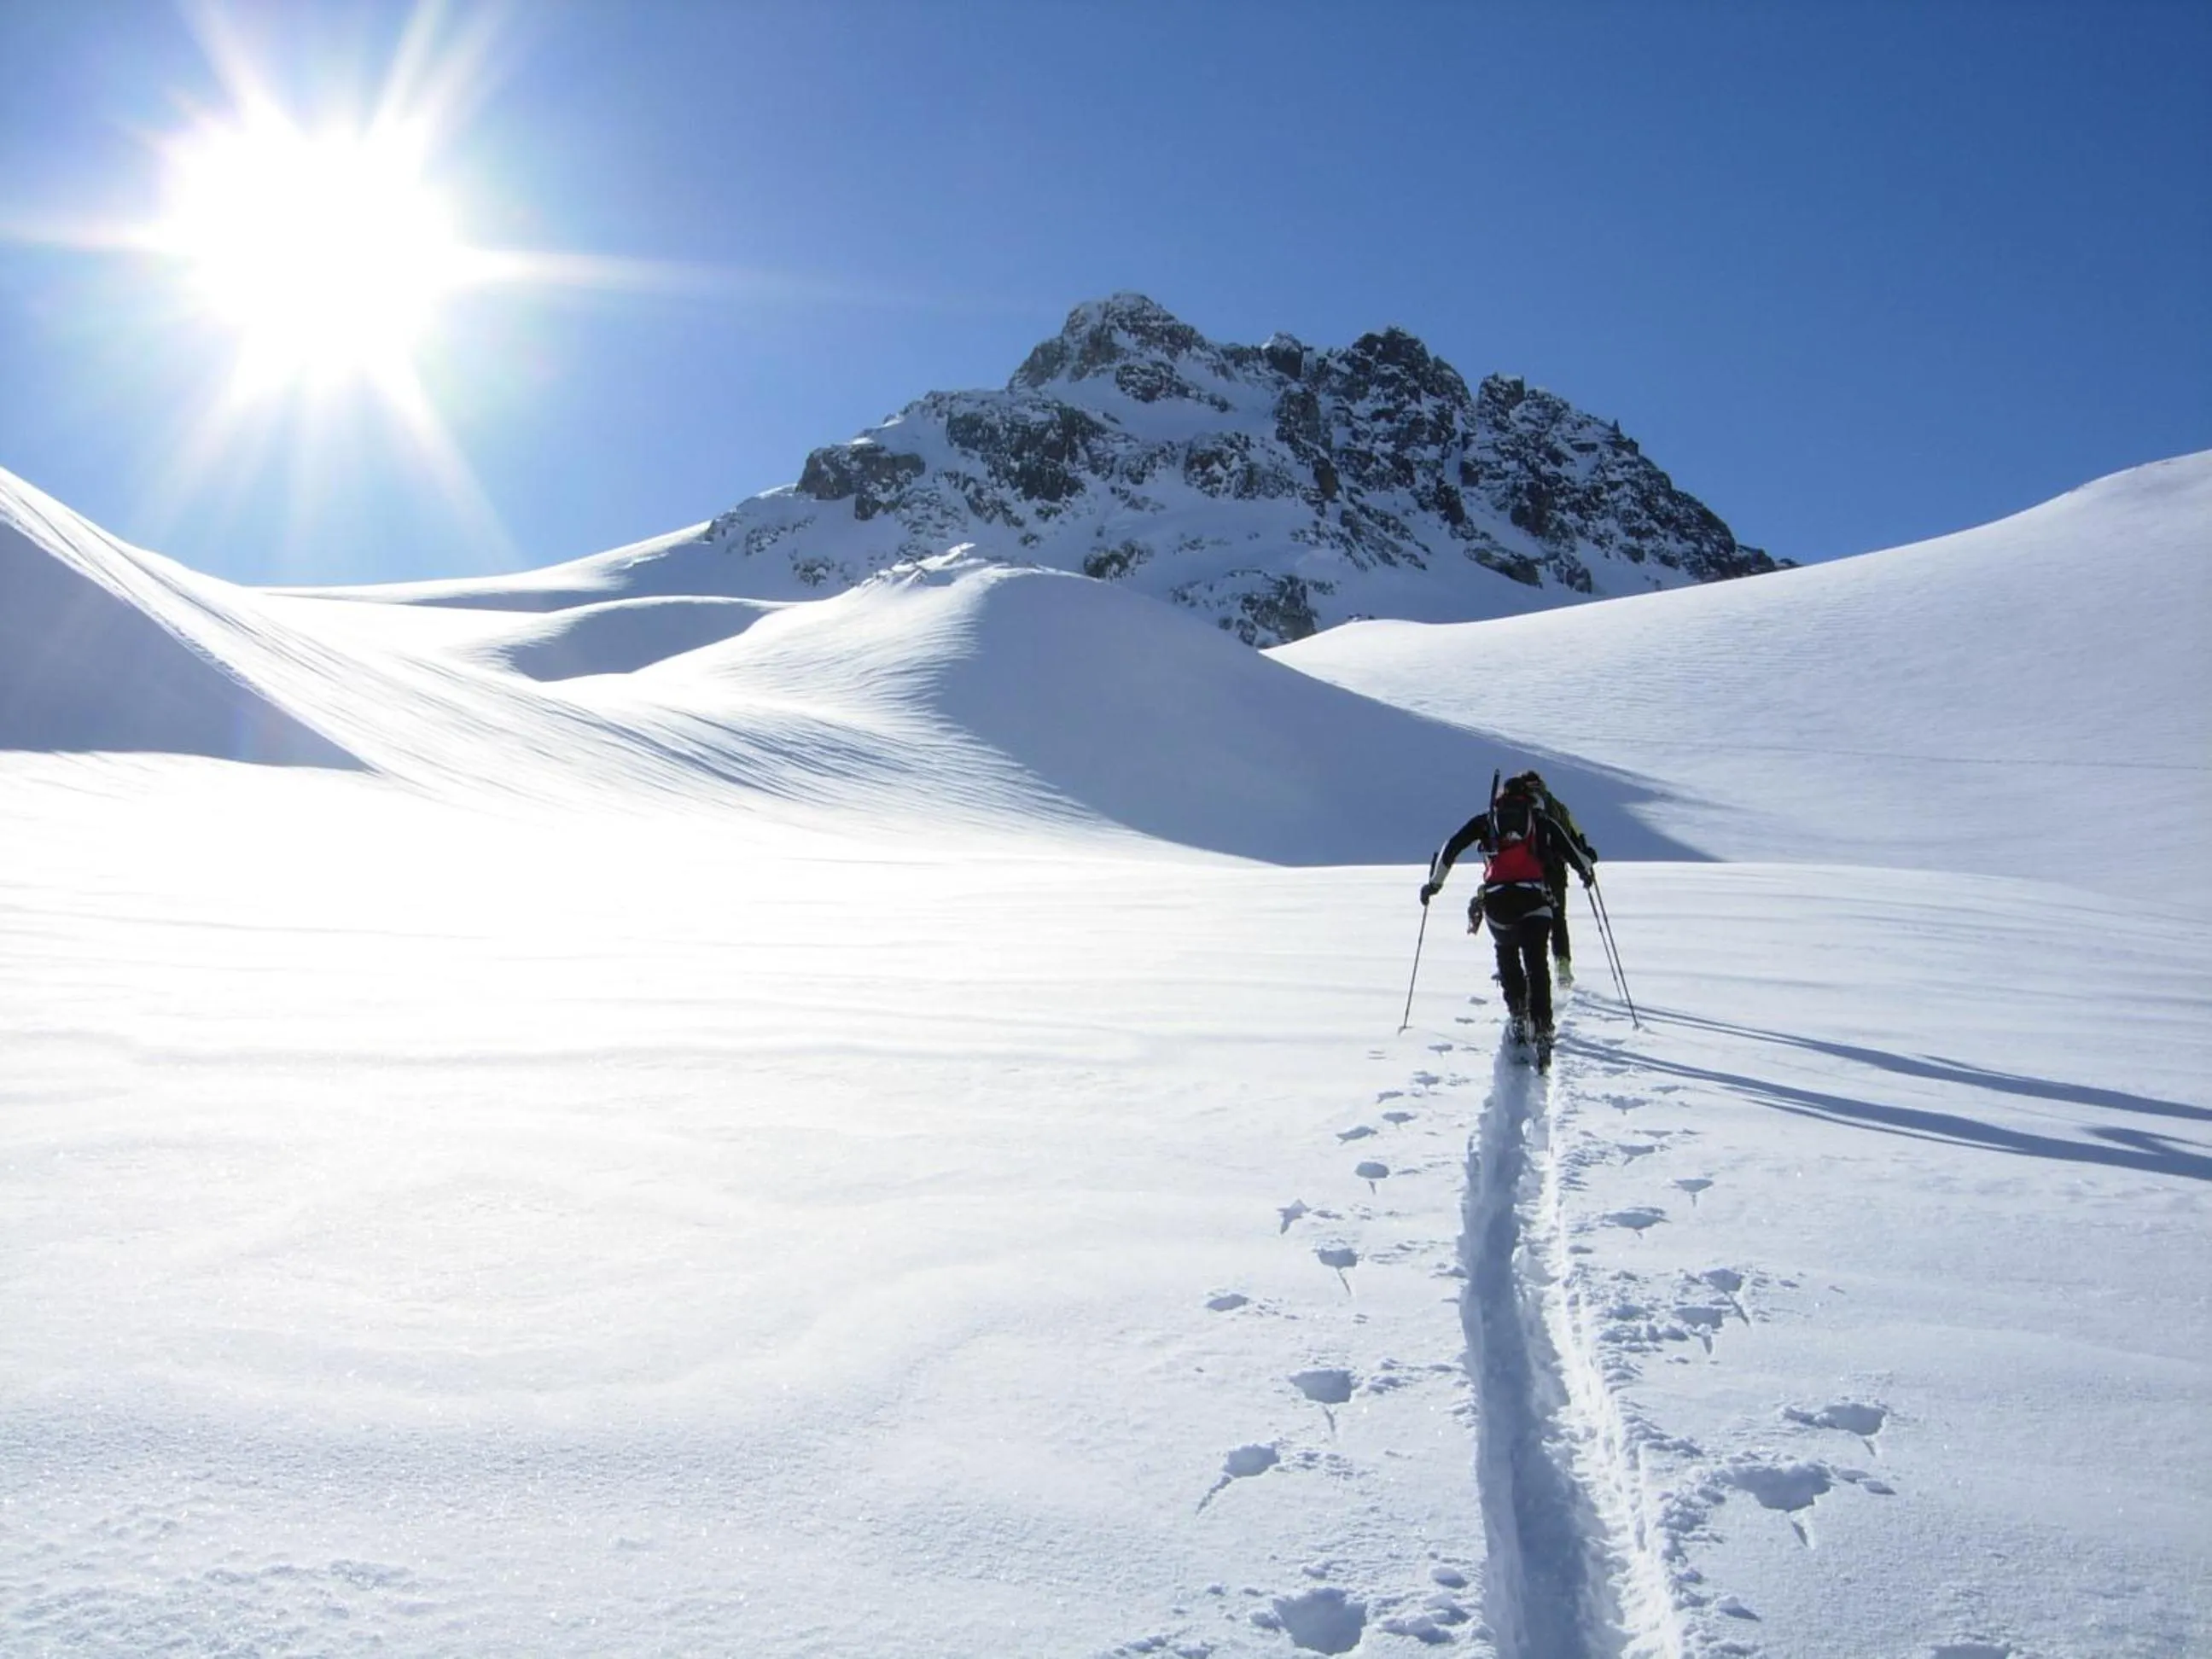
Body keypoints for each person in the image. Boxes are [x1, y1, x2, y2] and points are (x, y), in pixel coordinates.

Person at [1418, 772, 1594, 1057]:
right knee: (1537, 962)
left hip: (1498, 902)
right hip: (1535, 899)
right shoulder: (1541, 821)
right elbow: (1576, 855)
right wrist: (1586, 871)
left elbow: (1451, 847)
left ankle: (1518, 1016)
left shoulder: (1487, 820)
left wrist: (1434, 885)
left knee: (1507, 953)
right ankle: (1543, 1026)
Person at [1513, 771, 1597, 983]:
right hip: (1554, 871)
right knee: (1557, 919)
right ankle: (1563, 965)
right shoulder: (1558, 807)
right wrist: (1585, 866)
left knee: (1524, 921)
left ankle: (1526, 969)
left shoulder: (1515, 807)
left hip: (1521, 873)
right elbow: (1576, 836)